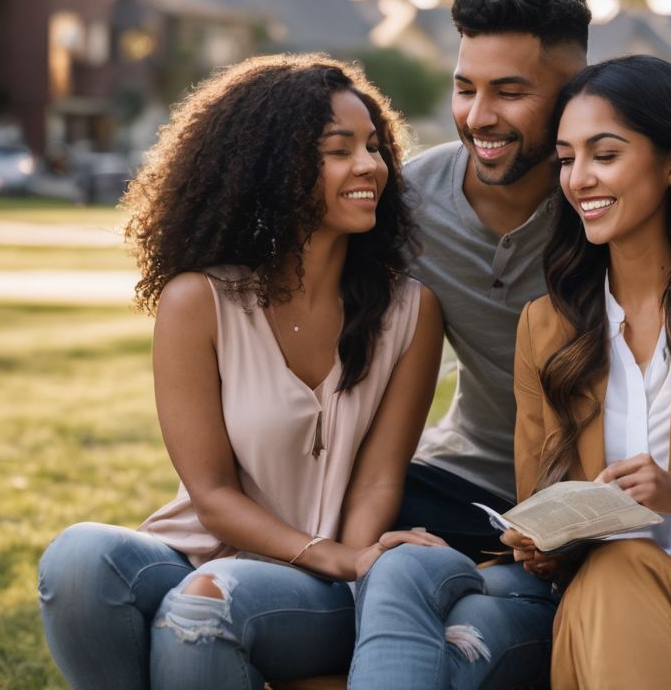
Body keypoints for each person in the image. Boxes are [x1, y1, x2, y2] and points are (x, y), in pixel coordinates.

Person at [352, 55, 671, 689]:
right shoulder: (548, 326)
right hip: (600, 607)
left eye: (604, 155)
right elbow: (540, 504)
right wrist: (539, 545)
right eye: (566, 159)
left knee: (622, 568)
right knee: (610, 570)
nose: (579, 179)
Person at [37, 54, 445, 689]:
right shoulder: (199, 303)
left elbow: (375, 483)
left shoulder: (410, 312)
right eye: (339, 151)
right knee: (79, 558)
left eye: (373, 146)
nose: (371, 166)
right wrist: (321, 551)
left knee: (208, 599)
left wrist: (348, 561)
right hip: (200, 552)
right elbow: (213, 497)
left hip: (326, 584)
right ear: (274, 170)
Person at [394, 0, 591, 561]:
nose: (479, 116)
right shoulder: (406, 202)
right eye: (465, 88)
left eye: (509, 92)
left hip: (595, 495)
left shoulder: (611, 201)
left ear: (575, 95)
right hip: (462, 482)